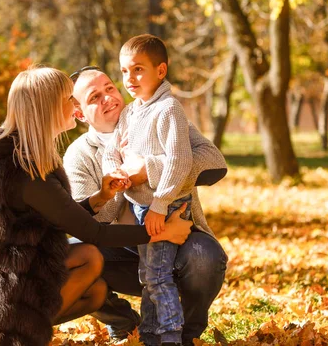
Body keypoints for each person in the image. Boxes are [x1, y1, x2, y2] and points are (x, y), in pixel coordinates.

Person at [0, 66, 192, 346]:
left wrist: (98, 198)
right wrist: (161, 232)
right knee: (90, 256)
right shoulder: (27, 173)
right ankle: (7, 338)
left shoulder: (10, 150)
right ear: (48, 108)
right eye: (69, 99)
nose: (75, 106)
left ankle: (13, 328)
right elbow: (94, 234)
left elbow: (54, 215)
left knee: (95, 292)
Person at [63, 63, 228, 344]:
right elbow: (89, 225)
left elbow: (215, 163)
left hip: (178, 242)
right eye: (94, 97)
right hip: (121, 253)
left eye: (109, 88)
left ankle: (185, 334)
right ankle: (123, 321)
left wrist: (150, 169)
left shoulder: (158, 115)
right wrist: (116, 184)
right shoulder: (78, 155)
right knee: (64, 258)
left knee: (205, 257)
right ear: (79, 113)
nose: (108, 98)